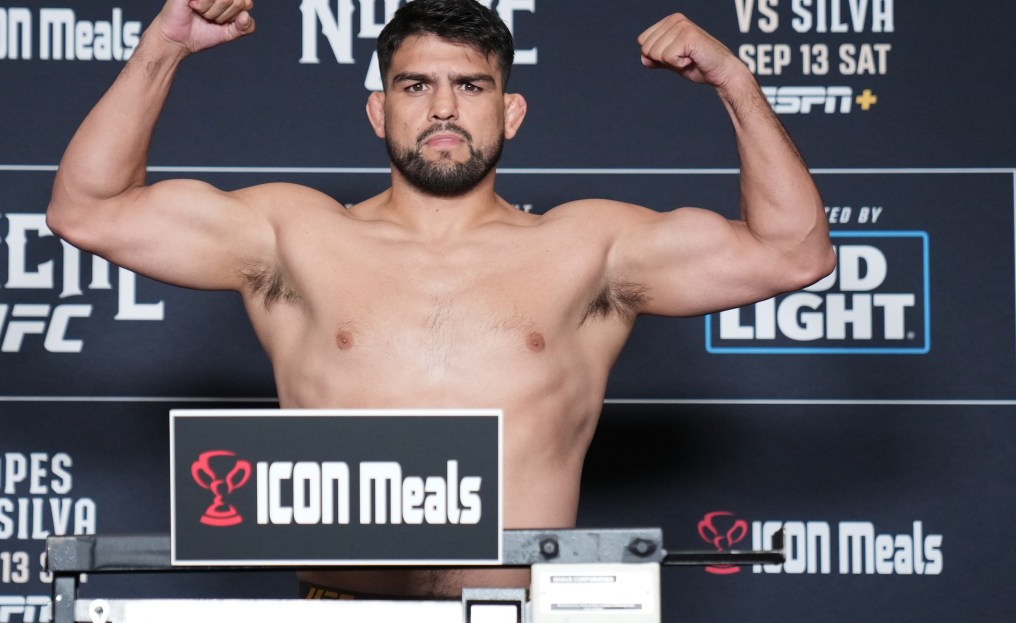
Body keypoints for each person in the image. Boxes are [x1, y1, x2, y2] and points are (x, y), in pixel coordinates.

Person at [47, 0, 835, 599]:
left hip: (521, 608)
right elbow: (88, 210)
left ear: (510, 112)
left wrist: (735, 83)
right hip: (343, 606)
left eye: (471, 85)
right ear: (379, 110)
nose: (444, 108)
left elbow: (793, 252)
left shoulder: (589, 248)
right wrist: (164, 46)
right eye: (416, 85)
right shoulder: (293, 236)